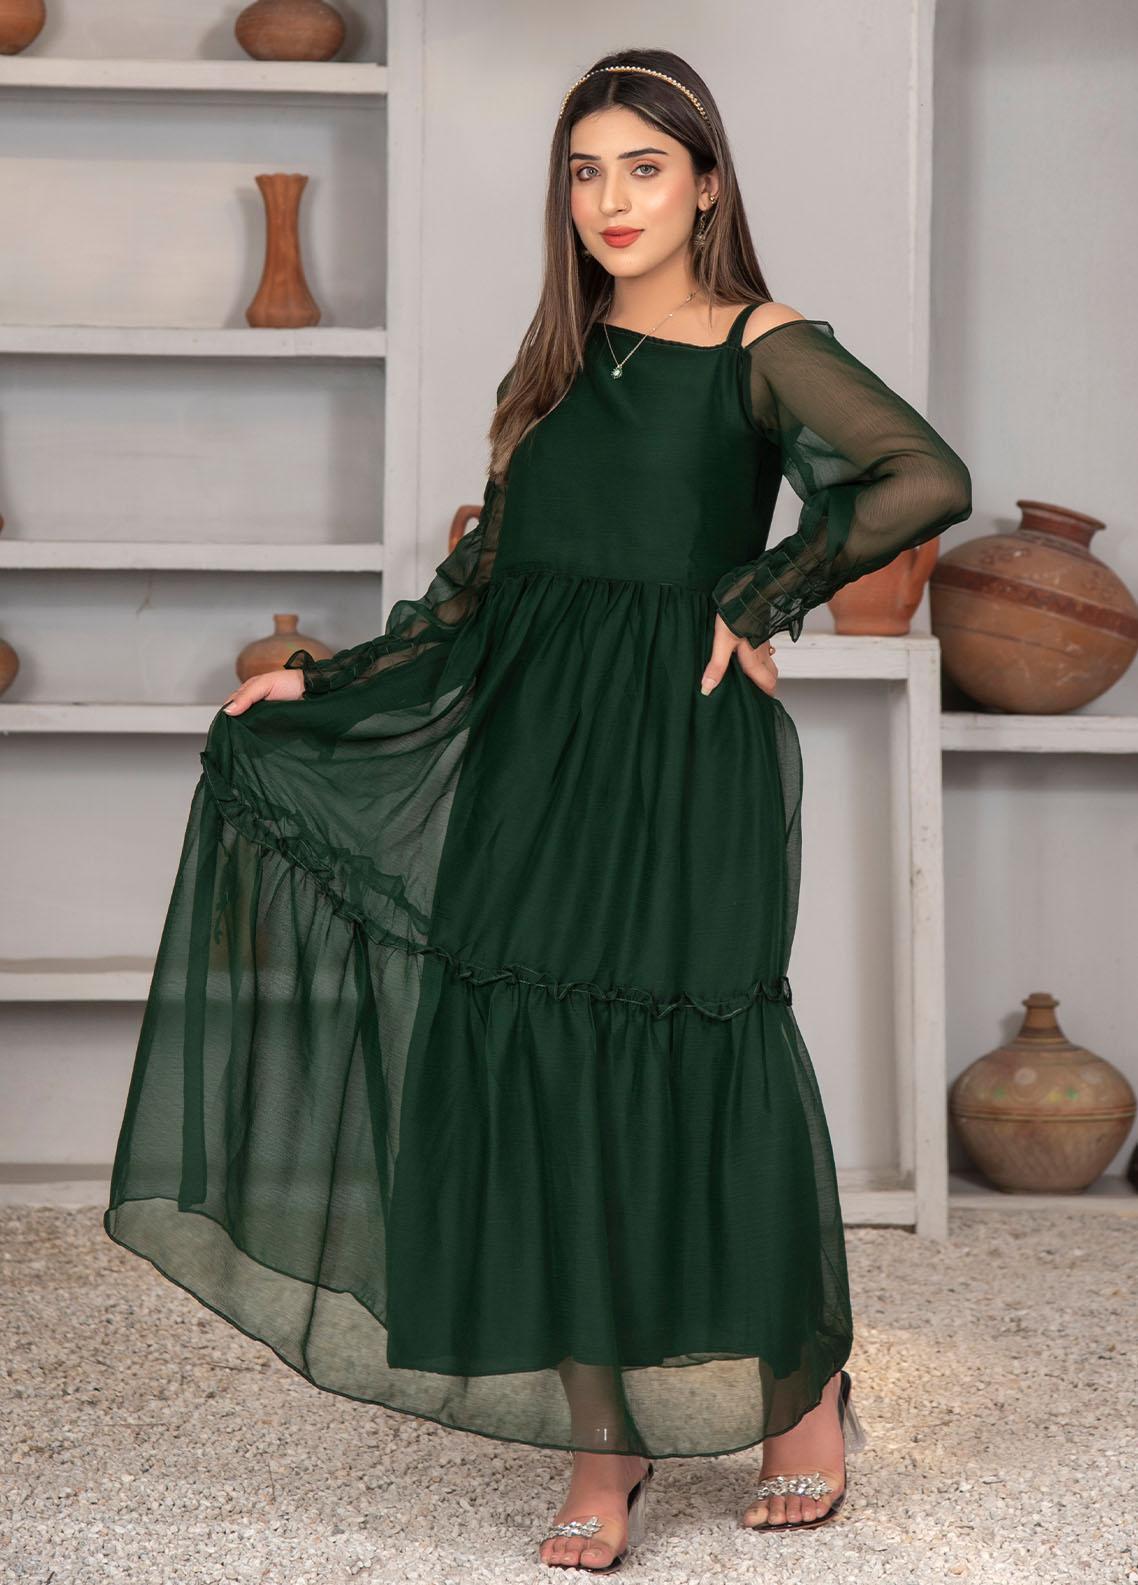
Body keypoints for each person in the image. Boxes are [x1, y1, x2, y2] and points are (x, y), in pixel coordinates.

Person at [103, 44, 971, 1574]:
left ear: (706, 183)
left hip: (677, 748)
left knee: (704, 1056)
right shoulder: (557, 364)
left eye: (644, 166)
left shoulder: (764, 342)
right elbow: (479, 585)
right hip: (529, 753)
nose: (612, 199)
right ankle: (601, 1431)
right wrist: (324, 678)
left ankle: (798, 1395)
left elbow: (919, 475)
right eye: (586, 171)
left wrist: (760, 594)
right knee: (531, 1071)